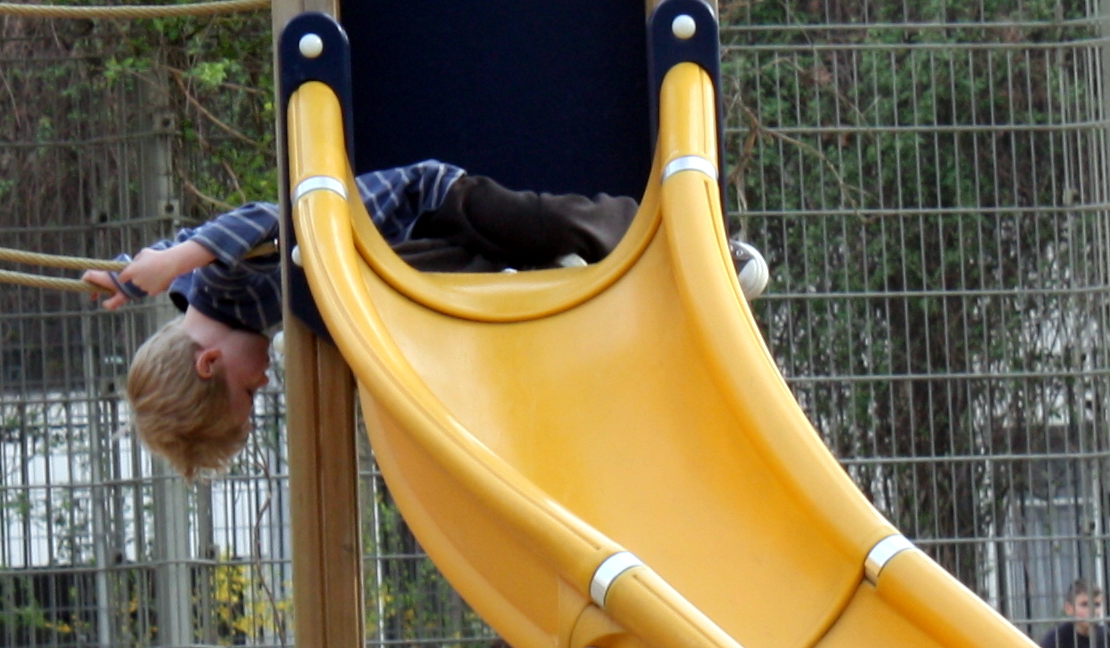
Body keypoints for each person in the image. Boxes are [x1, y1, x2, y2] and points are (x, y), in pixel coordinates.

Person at [85, 163, 762, 481]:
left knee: (547, 220)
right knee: (382, 313)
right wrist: (128, 272)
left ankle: (681, 246)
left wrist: (167, 260)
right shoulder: (204, 295)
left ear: (208, 362)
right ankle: (531, 278)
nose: (262, 384)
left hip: (427, 206)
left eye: (246, 391)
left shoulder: (215, 281)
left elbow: (255, 223)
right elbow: (179, 257)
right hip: (420, 264)